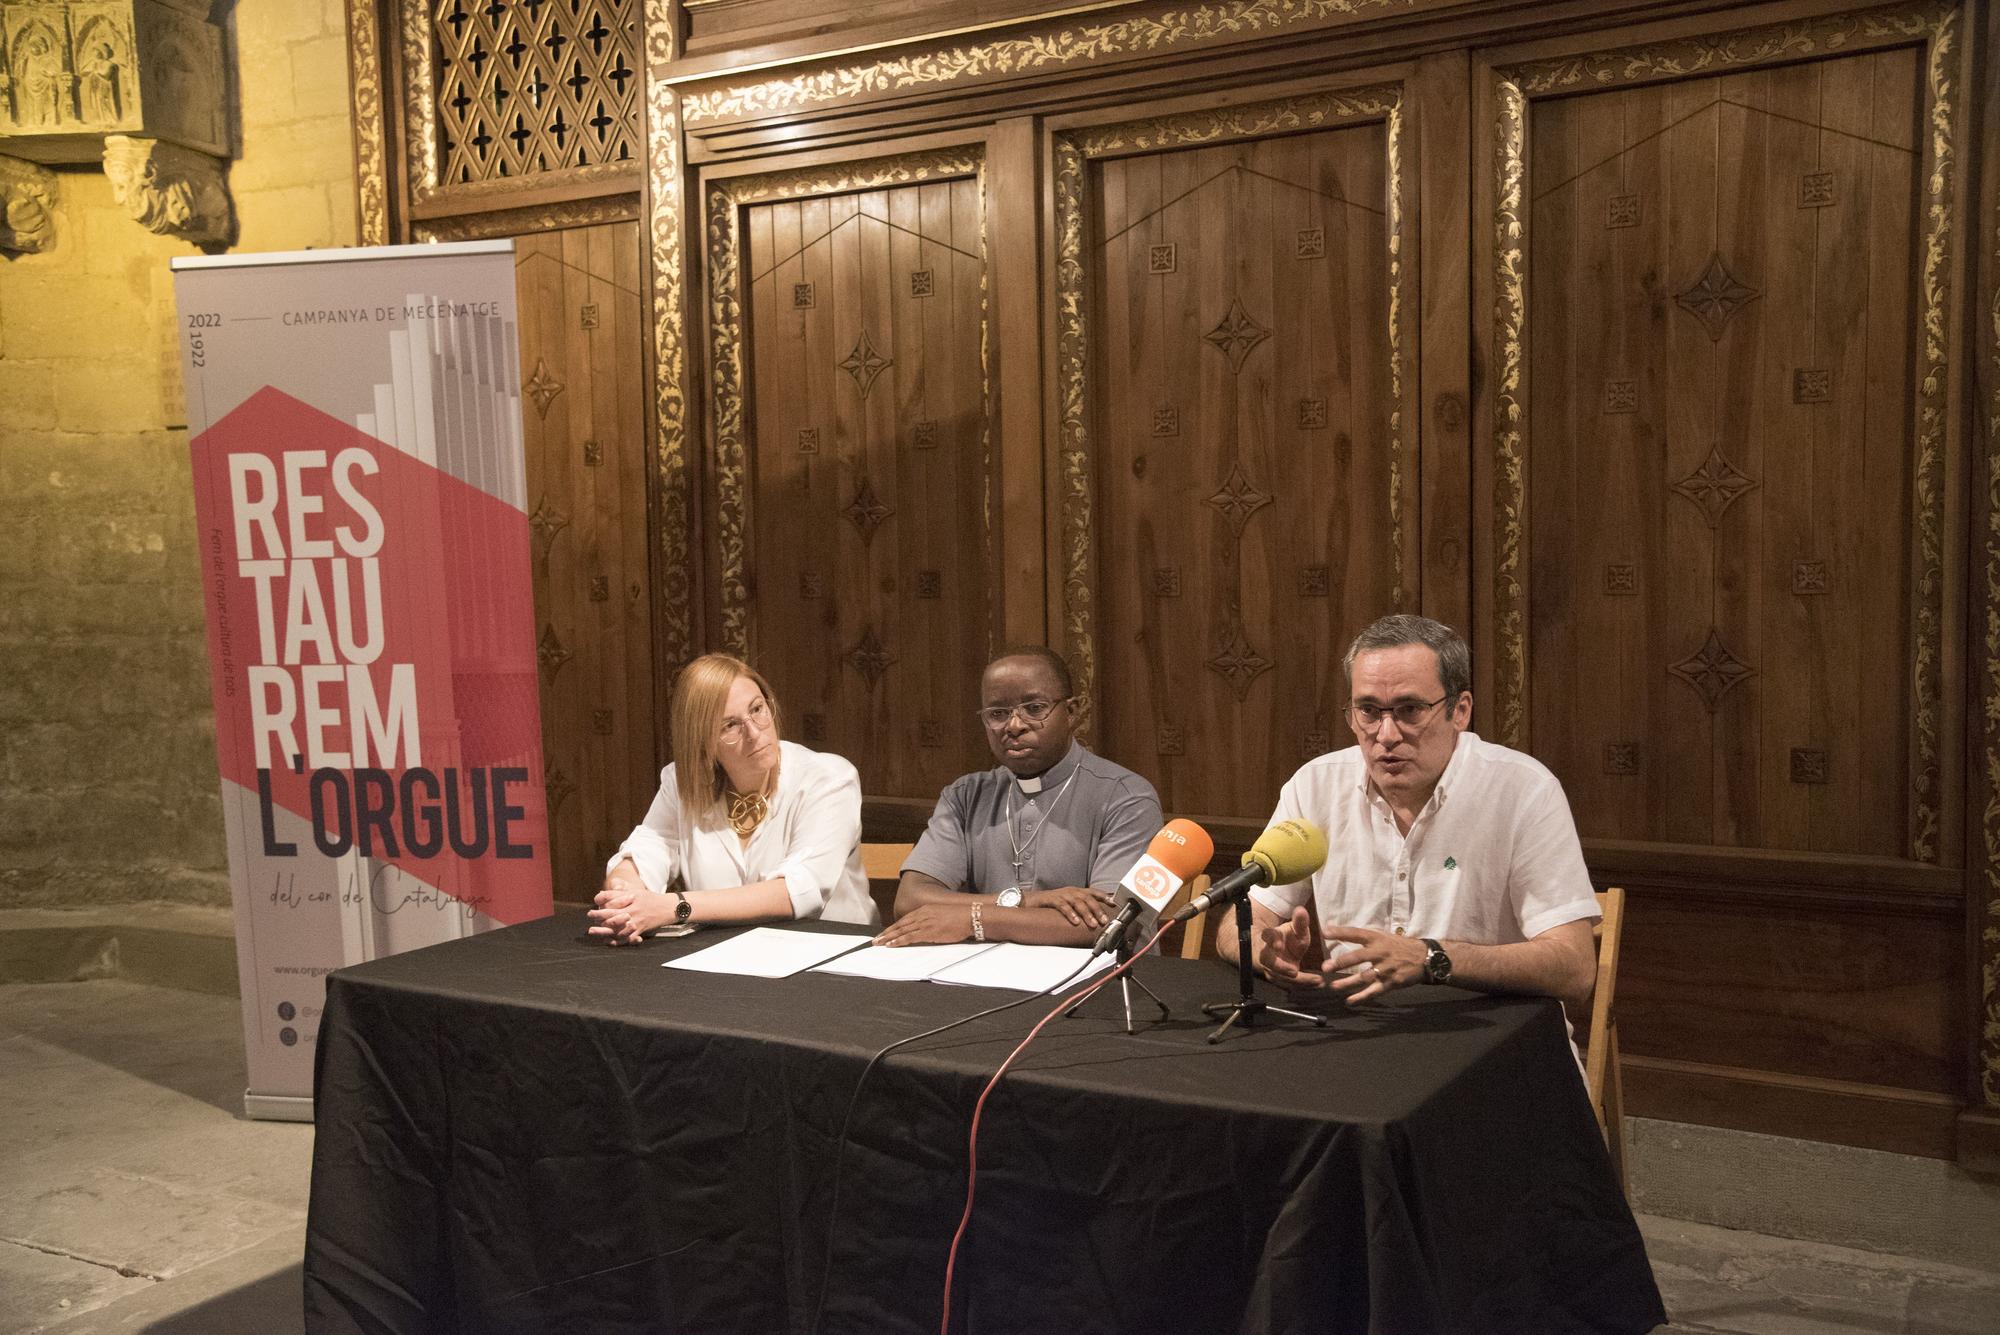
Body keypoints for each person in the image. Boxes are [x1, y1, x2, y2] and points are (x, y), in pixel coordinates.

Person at [1221, 614, 1599, 1017]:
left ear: (1461, 711)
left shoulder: (1524, 790)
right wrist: (1262, 951)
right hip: (1357, 1029)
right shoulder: (1314, 786)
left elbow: (1574, 969)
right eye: (1368, 710)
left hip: (1488, 1034)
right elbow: (1239, 923)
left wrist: (1430, 958)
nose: (1386, 734)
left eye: (1410, 710)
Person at [874, 647, 1163, 948]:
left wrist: (974, 919)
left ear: (1073, 712)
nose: (1014, 725)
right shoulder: (965, 795)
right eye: (997, 714)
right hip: (986, 975)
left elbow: (1113, 922)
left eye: (1034, 708)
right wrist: (1031, 901)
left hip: (1100, 981)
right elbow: (911, 899)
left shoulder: (1126, 797)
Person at [591, 653, 877, 941]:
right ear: (701, 742)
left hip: (832, 957)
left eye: (757, 709)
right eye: (730, 725)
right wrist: (623, 897)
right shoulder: (682, 782)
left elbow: (799, 890)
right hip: (725, 957)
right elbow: (646, 850)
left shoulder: (829, 778)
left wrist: (675, 906)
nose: (754, 732)